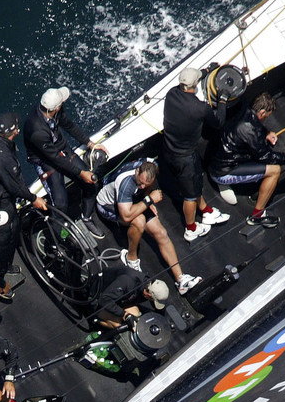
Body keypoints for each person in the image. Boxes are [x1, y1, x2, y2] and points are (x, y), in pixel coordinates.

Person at [95, 160, 201, 292]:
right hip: (109, 206)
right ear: (137, 171)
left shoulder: (150, 167)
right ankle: (131, 258)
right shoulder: (126, 183)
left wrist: (146, 199)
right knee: (139, 221)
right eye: (140, 183)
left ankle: (181, 280)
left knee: (161, 232)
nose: (142, 187)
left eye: (146, 184)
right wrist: (149, 200)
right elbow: (126, 216)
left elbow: (145, 188)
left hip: (134, 201)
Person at [0, 112, 47, 279]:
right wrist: (34, 199)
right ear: (15, 132)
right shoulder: (3, 157)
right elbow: (15, 186)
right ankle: (2, 268)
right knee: (7, 233)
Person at [22, 86, 106, 241]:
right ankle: (54, 242)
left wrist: (90, 143)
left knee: (91, 184)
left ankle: (86, 218)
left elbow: (69, 126)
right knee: (60, 204)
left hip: (61, 150)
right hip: (45, 161)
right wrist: (81, 173)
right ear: (56, 107)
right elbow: (55, 159)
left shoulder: (55, 111)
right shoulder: (36, 131)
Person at [161, 66, 231, 241]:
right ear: (195, 85)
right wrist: (222, 100)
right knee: (190, 196)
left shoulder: (171, 94)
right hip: (185, 159)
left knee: (194, 185)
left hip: (168, 151)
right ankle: (191, 229)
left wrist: (206, 71)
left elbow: (190, 82)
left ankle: (206, 211)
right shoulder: (200, 108)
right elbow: (218, 122)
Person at [207, 91, 285, 228]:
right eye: (266, 116)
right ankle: (257, 216)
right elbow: (265, 156)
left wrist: (266, 132)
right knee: (275, 170)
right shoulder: (249, 130)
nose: (266, 119)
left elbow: (251, 127)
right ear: (262, 112)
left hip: (215, 161)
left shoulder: (243, 109)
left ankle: (222, 181)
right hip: (222, 172)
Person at [90, 268, 170, 330]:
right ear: (148, 293)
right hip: (97, 299)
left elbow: (156, 304)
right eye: (152, 299)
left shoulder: (149, 284)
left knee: (137, 316)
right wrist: (125, 314)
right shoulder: (127, 282)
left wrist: (162, 319)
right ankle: (95, 319)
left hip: (117, 299)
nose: (152, 301)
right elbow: (104, 299)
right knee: (118, 324)